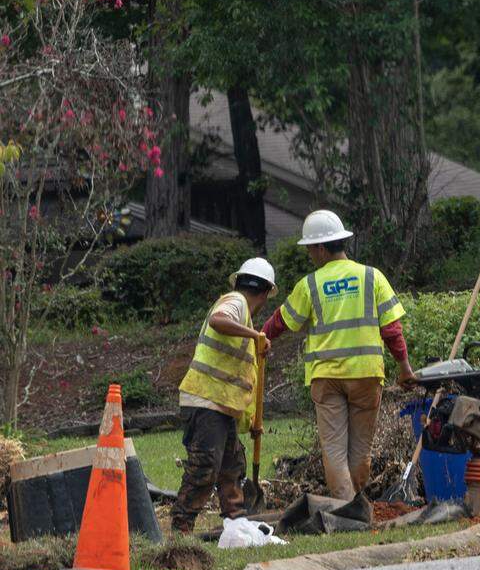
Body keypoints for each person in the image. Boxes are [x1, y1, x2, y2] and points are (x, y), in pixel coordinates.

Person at [261, 210, 416, 501]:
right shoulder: (372, 277)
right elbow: (392, 330)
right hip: (366, 375)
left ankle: (346, 509)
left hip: (327, 377)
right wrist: (405, 368)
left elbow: (282, 320)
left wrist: (260, 338)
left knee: (333, 450)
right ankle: (355, 506)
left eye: (310, 248)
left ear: (321, 248)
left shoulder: (310, 284)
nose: (309, 254)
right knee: (360, 450)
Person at [171, 257, 276, 534]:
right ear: (266, 293)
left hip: (221, 406)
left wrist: (251, 421)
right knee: (205, 467)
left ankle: (236, 520)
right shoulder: (236, 302)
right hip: (205, 401)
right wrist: (255, 335)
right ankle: (181, 526)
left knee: (232, 465)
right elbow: (218, 320)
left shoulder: (244, 318)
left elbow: (240, 379)